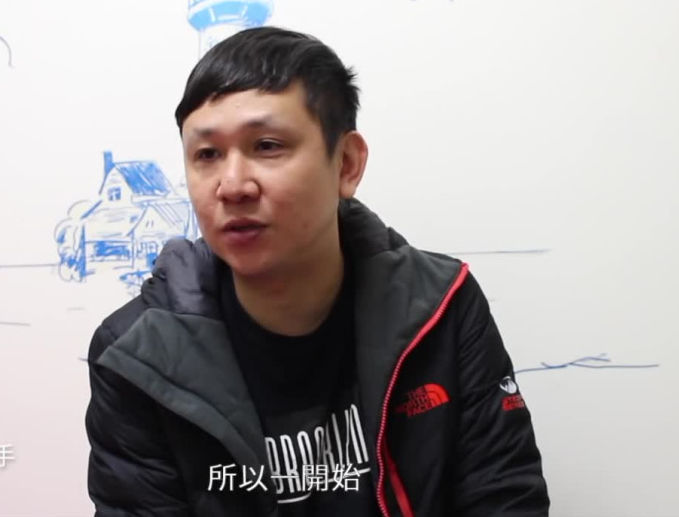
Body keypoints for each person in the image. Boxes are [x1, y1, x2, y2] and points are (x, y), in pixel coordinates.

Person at [85, 26, 550, 517]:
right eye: (207, 155)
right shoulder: (136, 355)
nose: (233, 185)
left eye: (267, 145)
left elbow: (505, 498)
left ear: (346, 164)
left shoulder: (441, 308)